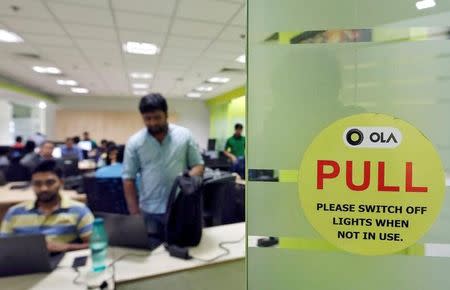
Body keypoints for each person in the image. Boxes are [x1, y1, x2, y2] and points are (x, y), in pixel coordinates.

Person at [122, 93, 204, 239]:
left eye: (157, 117)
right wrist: (134, 214)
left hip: (180, 207)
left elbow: (198, 165)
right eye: (147, 118)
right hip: (149, 210)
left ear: (166, 115)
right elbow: (128, 179)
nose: (153, 123)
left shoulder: (184, 135)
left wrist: (186, 181)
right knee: (153, 254)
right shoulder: (134, 142)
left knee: (181, 249)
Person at [0, 160, 94, 252]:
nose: (43, 188)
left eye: (50, 183)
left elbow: (96, 243)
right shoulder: (14, 212)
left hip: (64, 262)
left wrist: (67, 247)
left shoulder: (79, 210)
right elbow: (3, 246)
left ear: (61, 183)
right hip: (24, 264)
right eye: (37, 184)